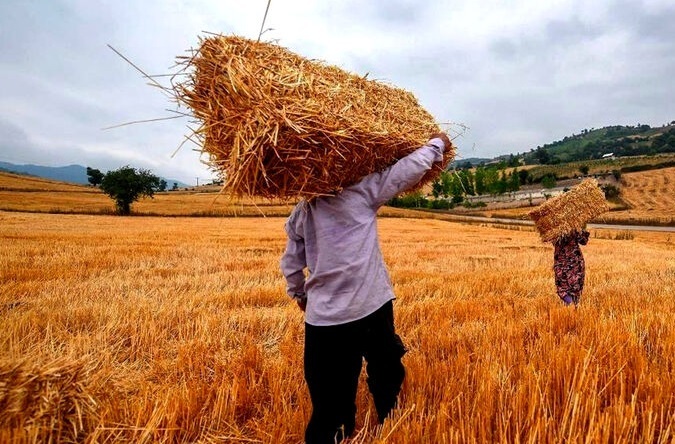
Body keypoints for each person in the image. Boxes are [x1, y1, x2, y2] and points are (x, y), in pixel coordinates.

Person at [280, 133, 452, 443]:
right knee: (386, 373)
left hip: (325, 322)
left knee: (329, 400)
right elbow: (406, 170)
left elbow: (291, 265)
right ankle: (393, 423)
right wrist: (437, 145)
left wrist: (300, 295)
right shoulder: (362, 192)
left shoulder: (301, 213)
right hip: (371, 307)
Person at [553, 228, 590, 305]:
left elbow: (583, 240)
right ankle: (572, 306)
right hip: (572, 260)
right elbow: (584, 240)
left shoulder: (554, 225)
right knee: (573, 287)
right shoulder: (571, 224)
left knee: (566, 287)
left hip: (564, 261)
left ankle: (572, 309)